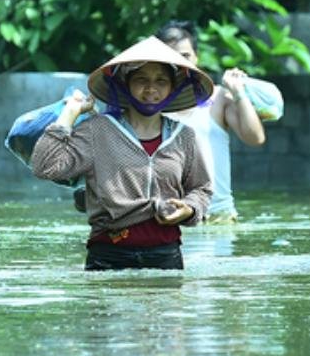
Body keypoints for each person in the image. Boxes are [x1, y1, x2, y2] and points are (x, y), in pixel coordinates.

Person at [31, 36, 214, 271]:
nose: (151, 89)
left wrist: (188, 209)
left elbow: (201, 189)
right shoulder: (98, 130)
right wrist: (70, 114)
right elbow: (44, 166)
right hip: (108, 254)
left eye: (160, 81)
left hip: (165, 254)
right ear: (125, 84)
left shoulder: (183, 135)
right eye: (141, 80)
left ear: (172, 87)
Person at [154, 20, 267, 223]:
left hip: (218, 216)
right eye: (170, 58)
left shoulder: (218, 98)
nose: (179, 64)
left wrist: (238, 91)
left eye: (185, 56)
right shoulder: (149, 105)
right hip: (170, 218)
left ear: (196, 57)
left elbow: (255, 138)